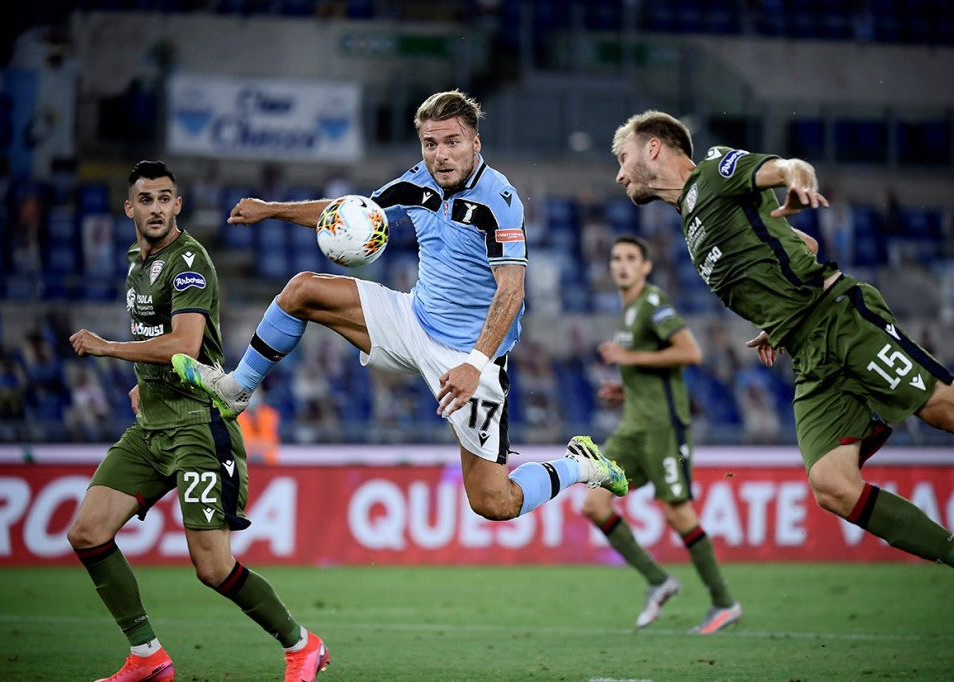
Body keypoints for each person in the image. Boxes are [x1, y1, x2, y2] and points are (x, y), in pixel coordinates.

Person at [610, 111, 954, 643]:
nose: (620, 175)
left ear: (654, 148)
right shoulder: (691, 217)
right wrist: (777, 322)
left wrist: (798, 182)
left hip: (842, 321)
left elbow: (789, 167)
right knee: (832, 485)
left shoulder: (712, 172)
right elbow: (805, 247)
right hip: (807, 349)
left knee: (952, 413)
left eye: (623, 159)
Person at [171, 90, 627, 525]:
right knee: (302, 290)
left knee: (494, 502)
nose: (441, 154)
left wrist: (474, 364)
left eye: (452, 142)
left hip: (469, 358)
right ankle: (236, 389)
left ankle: (580, 465)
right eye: (431, 143)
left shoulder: (499, 201)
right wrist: (273, 210)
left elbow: (512, 292)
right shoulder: (419, 181)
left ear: (475, 142)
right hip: (413, 320)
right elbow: (353, 213)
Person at [67, 161, 328, 682]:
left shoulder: (190, 261)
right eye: (147, 199)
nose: (157, 208)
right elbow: (161, 335)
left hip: (198, 426)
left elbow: (187, 345)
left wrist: (110, 349)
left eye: (166, 198)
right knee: (87, 532)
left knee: (211, 567)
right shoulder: (135, 262)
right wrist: (144, 379)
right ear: (130, 208)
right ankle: (147, 656)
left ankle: (303, 645)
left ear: (178, 205)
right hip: (152, 426)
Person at [583, 234, 740, 633]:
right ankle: (658, 581)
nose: (621, 264)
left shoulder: (652, 302)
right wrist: (627, 385)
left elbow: (690, 352)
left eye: (631, 258)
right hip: (632, 427)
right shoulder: (628, 310)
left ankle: (724, 603)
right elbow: (651, 367)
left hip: (662, 428)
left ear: (645, 267)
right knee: (594, 505)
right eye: (616, 258)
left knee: (676, 511)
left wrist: (629, 359)